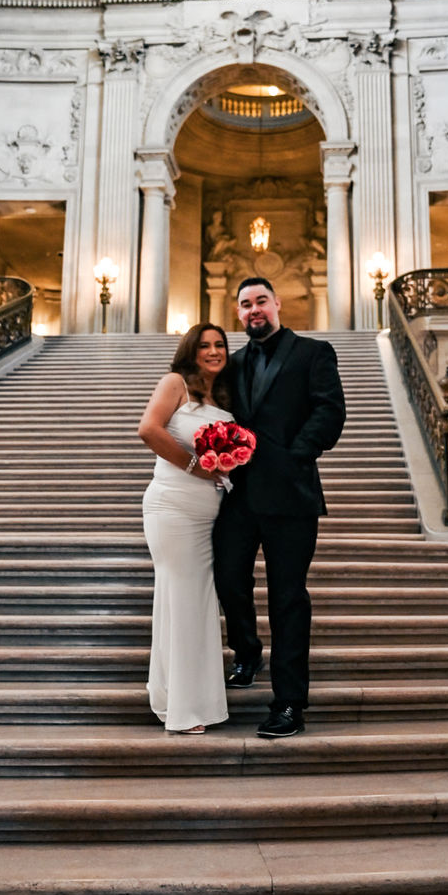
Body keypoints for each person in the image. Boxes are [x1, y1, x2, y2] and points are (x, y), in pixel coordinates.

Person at [212, 276, 346, 738]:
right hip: (238, 496)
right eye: (245, 303)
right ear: (238, 312)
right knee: (228, 579)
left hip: (291, 495)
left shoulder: (313, 353)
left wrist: (295, 455)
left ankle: (289, 703)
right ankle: (247, 652)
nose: (254, 309)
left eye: (261, 301)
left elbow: (330, 411)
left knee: (288, 598)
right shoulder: (230, 364)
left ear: (277, 304)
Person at [138, 323, 233, 734]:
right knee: (183, 600)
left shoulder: (225, 394)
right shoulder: (175, 383)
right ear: (191, 351)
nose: (213, 351)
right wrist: (198, 467)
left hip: (209, 511)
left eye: (220, 345)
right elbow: (148, 429)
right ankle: (186, 709)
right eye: (204, 345)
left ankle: (174, 696)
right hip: (173, 505)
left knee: (194, 602)